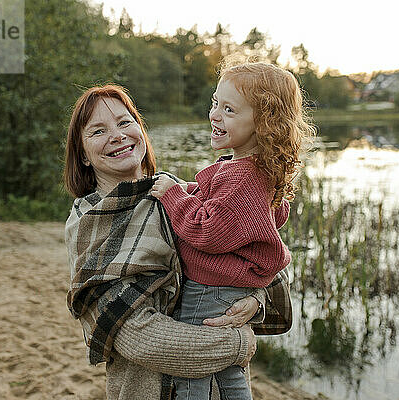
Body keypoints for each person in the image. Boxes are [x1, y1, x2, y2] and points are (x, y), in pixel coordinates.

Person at [63, 84, 293, 400]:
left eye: (124, 122)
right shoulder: (91, 221)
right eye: (98, 131)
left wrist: (255, 298)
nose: (117, 135)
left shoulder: (176, 195)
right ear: (83, 155)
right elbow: (136, 336)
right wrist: (237, 343)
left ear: (140, 131)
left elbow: (266, 258)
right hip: (149, 390)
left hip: (218, 387)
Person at [150, 62, 315, 400]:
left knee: (194, 365)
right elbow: (267, 217)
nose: (214, 115)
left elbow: (208, 230)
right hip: (231, 289)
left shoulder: (240, 175)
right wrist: (195, 192)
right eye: (215, 103)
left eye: (229, 109)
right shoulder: (259, 170)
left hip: (208, 289)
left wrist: (171, 194)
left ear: (263, 123)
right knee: (228, 368)